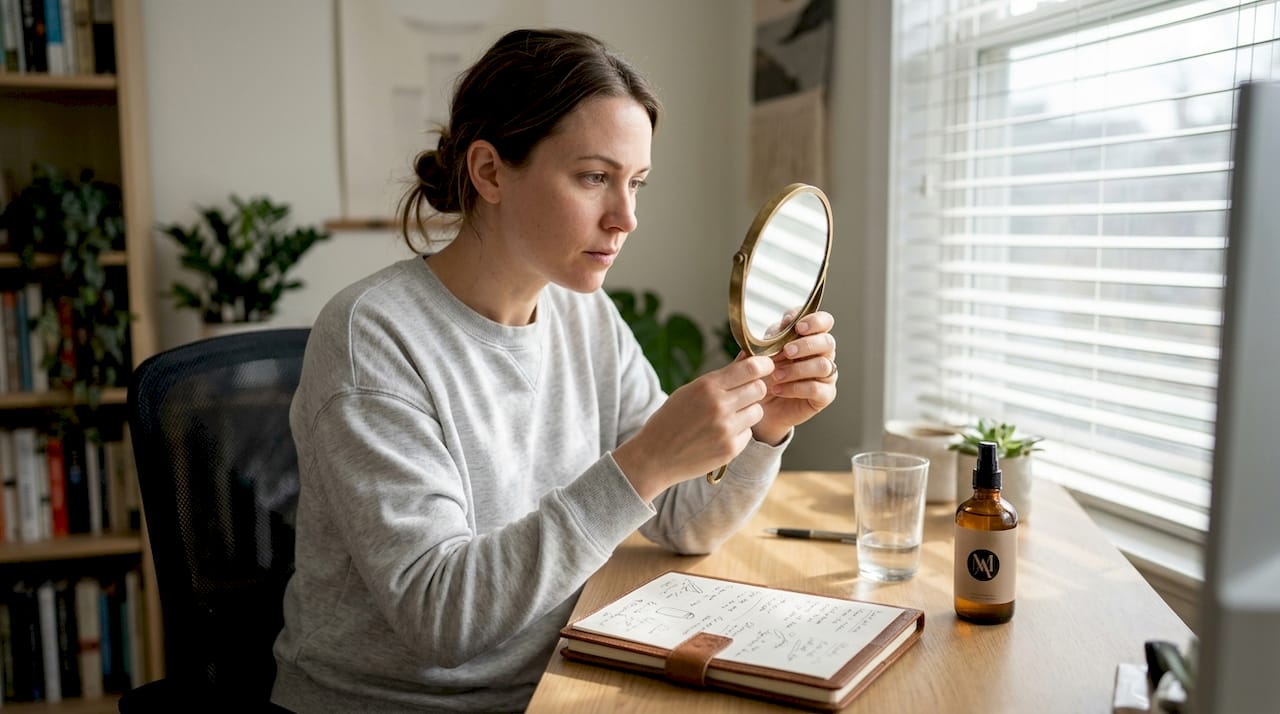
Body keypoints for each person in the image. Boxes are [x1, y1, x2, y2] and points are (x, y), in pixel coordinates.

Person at [270, 28, 838, 713]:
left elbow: (686, 522)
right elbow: (441, 618)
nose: (625, 217)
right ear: (489, 172)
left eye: (637, 184)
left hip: (558, 682)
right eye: (594, 177)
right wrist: (643, 464)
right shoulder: (373, 337)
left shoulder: (583, 317)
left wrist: (767, 426)